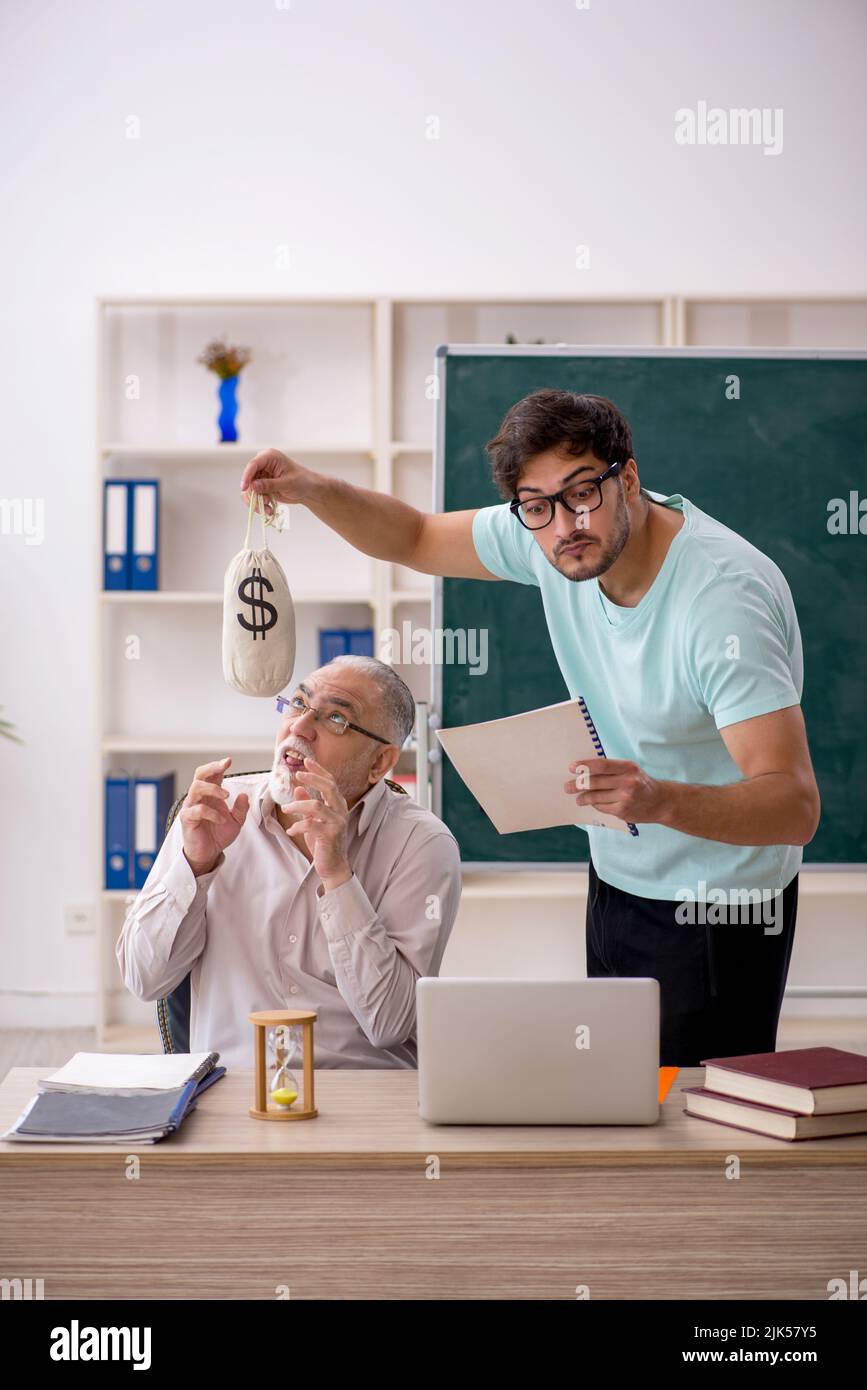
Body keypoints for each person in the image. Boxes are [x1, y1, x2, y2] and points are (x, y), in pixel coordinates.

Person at [239, 391, 821, 1066]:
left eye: (581, 495)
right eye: (536, 507)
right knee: (625, 1095)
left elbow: (793, 805)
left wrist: (660, 800)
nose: (562, 525)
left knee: (699, 1132)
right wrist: (309, 488)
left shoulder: (722, 604)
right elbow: (415, 538)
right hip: (620, 873)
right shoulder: (553, 530)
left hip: (716, 905)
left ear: (626, 479)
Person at [117, 656, 461, 1069]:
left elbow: (391, 1023)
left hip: (366, 1098)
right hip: (235, 1094)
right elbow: (144, 979)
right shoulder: (212, 811)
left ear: (380, 763)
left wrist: (337, 875)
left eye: (336, 718)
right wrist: (195, 866)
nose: (299, 727)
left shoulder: (421, 845)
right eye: (298, 703)